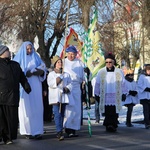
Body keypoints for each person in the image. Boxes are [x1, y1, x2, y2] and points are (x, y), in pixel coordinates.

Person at [13, 41, 46, 139]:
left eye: (31, 48)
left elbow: (43, 68)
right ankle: (27, 131)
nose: (29, 50)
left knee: (37, 108)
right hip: (25, 86)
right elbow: (15, 72)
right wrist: (25, 74)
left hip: (36, 85)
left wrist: (40, 72)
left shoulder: (36, 57)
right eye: (27, 49)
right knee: (27, 109)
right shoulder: (18, 59)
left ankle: (37, 131)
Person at [0, 45, 31, 144]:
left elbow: (22, 77)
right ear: (2, 52)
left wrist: (27, 87)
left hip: (13, 96)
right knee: (1, 119)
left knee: (12, 119)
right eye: (7, 50)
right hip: (1, 96)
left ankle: (9, 137)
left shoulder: (15, 65)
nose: (9, 52)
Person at [94, 52, 127, 132]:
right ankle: (108, 125)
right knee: (107, 110)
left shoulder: (119, 72)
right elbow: (97, 83)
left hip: (116, 94)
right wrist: (96, 94)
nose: (108, 64)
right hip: (104, 94)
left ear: (113, 62)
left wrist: (124, 93)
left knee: (114, 110)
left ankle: (113, 125)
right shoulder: (101, 72)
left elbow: (123, 83)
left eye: (110, 62)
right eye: (107, 62)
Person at [47, 56, 72, 141]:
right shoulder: (51, 74)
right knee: (57, 115)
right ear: (55, 64)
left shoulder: (66, 74)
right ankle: (59, 131)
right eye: (58, 62)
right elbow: (51, 83)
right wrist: (58, 79)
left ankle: (60, 129)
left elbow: (70, 84)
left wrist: (67, 88)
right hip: (55, 98)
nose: (60, 64)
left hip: (63, 97)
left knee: (62, 114)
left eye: (61, 62)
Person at [63, 45, 85, 137]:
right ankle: (67, 128)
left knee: (76, 108)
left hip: (76, 87)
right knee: (68, 108)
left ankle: (74, 128)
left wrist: (87, 72)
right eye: (69, 54)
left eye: (73, 54)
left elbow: (85, 76)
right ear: (67, 54)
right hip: (67, 86)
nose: (71, 56)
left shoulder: (80, 63)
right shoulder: (63, 62)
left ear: (76, 54)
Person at [137, 64, 150, 129]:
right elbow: (139, 84)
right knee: (146, 110)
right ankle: (146, 123)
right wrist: (145, 88)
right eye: (148, 70)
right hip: (144, 96)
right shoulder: (142, 76)